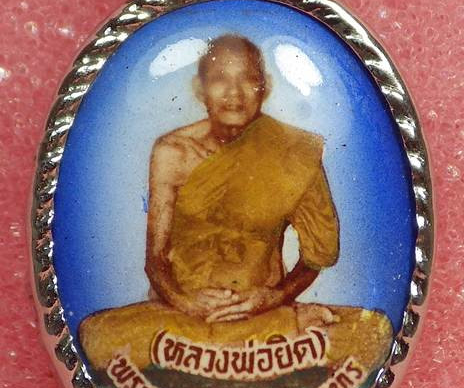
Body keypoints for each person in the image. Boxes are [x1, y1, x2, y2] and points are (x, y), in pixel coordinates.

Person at [79, 34, 392, 370]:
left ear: (265, 87)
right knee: (96, 336)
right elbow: (155, 261)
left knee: (373, 332)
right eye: (219, 79)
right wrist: (185, 302)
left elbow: (317, 258)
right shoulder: (173, 153)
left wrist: (272, 298)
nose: (234, 93)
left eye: (248, 79)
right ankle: (265, 343)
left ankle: (232, 344)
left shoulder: (293, 152)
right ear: (200, 90)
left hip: (261, 310)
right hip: (183, 314)